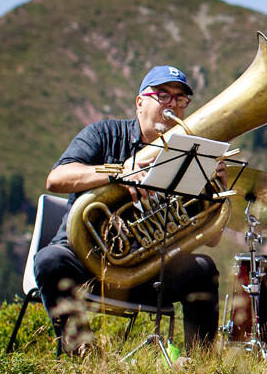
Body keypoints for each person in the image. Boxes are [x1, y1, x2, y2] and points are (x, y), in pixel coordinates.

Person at [30, 64, 222, 352]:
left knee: (203, 269)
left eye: (180, 99)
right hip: (85, 262)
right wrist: (117, 172)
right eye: (164, 96)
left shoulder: (186, 155)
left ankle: (201, 366)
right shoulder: (104, 133)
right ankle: (83, 351)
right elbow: (56, 178)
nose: (173, 105)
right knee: (49, 261)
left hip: (145, 270)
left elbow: (213, 238)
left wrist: (215, 190)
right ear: (140, 102)